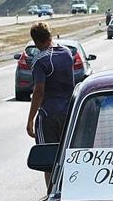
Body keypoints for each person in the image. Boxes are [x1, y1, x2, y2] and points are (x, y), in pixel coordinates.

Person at [25, 22, 75, 187]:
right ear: (50, 35)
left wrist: (31, 119)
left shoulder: (40, 60)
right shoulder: (67, 53)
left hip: (49, 115)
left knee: (48, 159)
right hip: (69, 112)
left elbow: (39, 90)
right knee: (67, 154)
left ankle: (52, 194)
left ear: (36, 41)